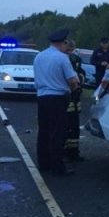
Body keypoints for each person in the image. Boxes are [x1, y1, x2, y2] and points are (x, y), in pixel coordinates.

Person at [34, 29, 80, 176]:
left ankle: (43, 163)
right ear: (63, 42)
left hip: (42, 98)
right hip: (58, 98)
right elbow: (73, 80)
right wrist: (73, 89)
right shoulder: (62, 58)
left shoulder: (39, 56)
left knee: (44, 132)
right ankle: (57, 166)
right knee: (58, 133)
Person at [63, 39, 86, 162]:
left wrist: (81, 78)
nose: (70, 52)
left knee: (74, 128)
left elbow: (80, 73)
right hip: (66, 97)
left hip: (75, 97)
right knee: (65, 127)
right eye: (68, 50)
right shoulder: (62, 60)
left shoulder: (76, 60)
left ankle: (73, 152)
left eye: (72, 50)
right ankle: (65, 152)